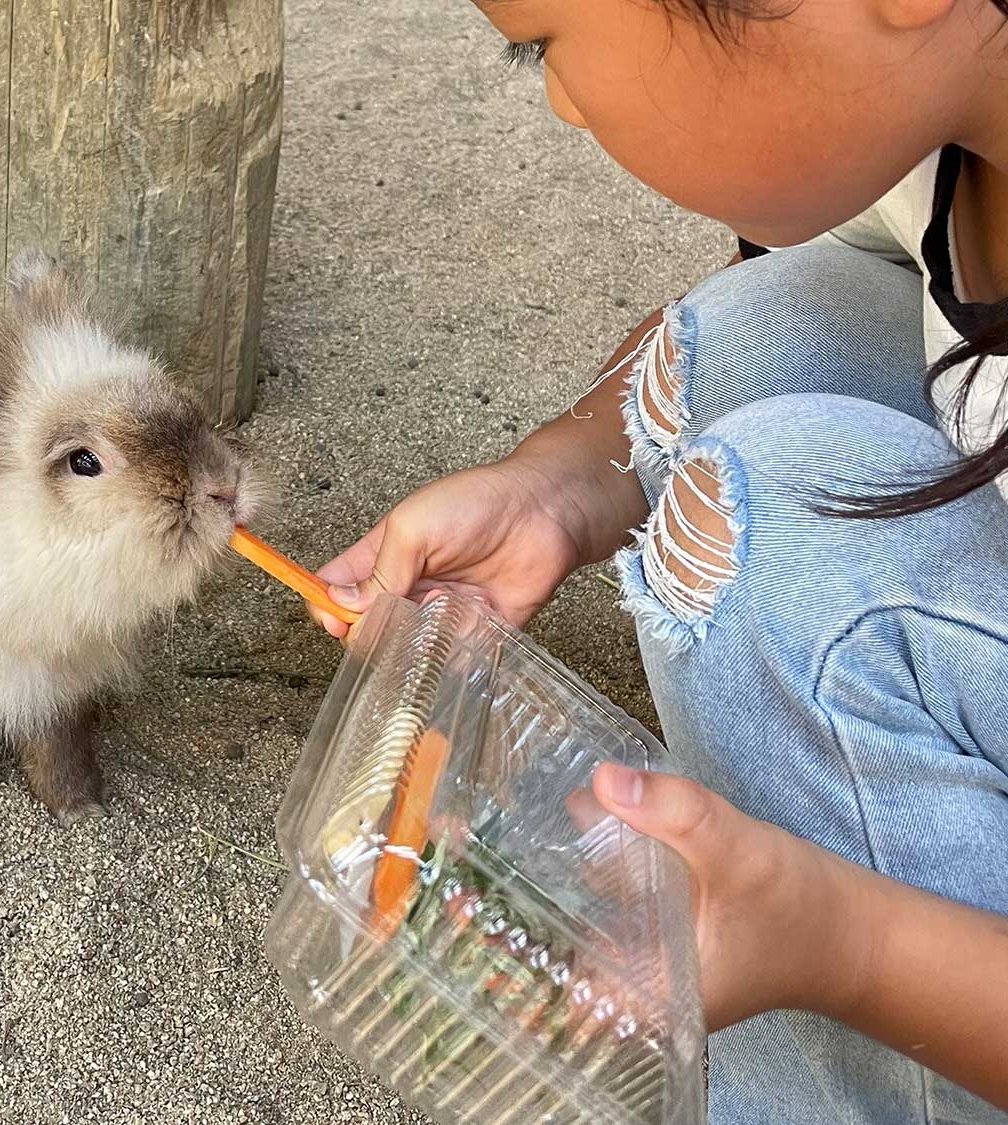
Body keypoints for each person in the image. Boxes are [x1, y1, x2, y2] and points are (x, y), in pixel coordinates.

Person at [310, 0, 1008, 1118]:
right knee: (773, 325)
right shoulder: (955, 110)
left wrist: (846, 945)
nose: (560, 97)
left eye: (545, 40)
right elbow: (809, 288)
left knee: (772, 541)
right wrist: (563, 484)